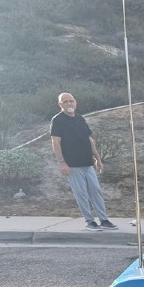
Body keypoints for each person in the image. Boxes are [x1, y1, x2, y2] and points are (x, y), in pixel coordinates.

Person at [50, 93, 117, 231]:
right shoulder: (57, 120)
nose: (69, 103)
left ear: (75, 102)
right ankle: (90, 221)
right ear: (60, 104)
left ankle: (104, 220)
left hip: (87, 163)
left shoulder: (80, 119)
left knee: (96, 191)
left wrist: (98, 159)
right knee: (81, 194)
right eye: (65, 101)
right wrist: (62, 163)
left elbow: (89, 140)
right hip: (72, 165)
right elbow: (55, 143)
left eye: (71, 100)